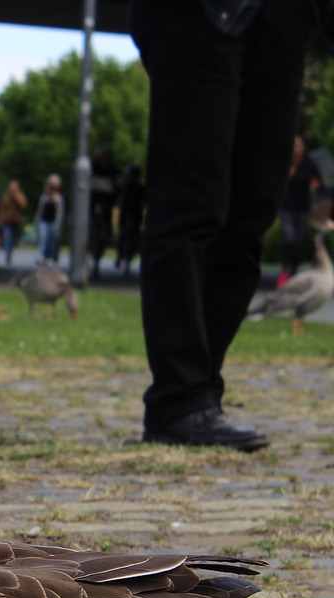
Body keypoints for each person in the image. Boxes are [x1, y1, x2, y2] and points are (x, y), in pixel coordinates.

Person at [133, 0, 316, 452]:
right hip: (199, 13)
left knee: (252, 207)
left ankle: (201, 395)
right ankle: (179, 399)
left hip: (284, 17)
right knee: (189, 201)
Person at [278, 134, 324, 286]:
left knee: (298, 241)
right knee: (290, 237)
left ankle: (294, 271)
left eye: (299, 145)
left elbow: (319, 183)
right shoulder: (285, 163)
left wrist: (315, 184)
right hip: (287, 207)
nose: (297, 148)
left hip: (303, 208)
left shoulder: (309, 164)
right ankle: (285, 269)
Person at [88, 146, 121, 280]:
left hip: (107, 207)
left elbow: (119, 189)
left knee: (105, 233)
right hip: (92, 206)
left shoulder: (113, 172)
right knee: (88, 229)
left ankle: (98, 256)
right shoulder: (92, 168)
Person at [115, 164, 145, 277]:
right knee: (122, 235)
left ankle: (128, 259)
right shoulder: (125, 187)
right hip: (126, 215)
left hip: (136, 216)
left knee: (133, 237)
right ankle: (120, 256)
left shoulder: (139, 188)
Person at [33, 174, 65, 264]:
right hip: (44, 221)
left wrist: (59, 224)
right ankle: (42, 255)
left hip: (54, 222)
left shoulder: (59, 198)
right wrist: (36, 222)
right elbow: (39, 210)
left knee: (53, 240)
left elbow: (60, 212)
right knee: (43, 237)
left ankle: (52, 257)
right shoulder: (43, 197)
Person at [0, 179, 27, 266]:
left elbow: (24, 205)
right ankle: (7, 253)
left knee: (13, 240)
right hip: (7, 221)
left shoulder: (20, 196)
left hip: (16, 221)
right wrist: (0, 221)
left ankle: (10, 252)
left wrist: (16, 197)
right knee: (7, 237)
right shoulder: (6, 197)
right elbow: (2, 209)